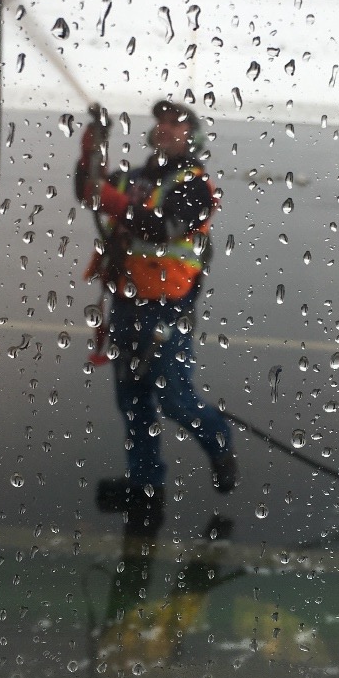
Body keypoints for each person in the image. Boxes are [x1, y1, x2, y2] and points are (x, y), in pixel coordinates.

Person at [75, 99, 237, 536]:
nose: (166, 127)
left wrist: (111, 199)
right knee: (132, 400)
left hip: (168, 310)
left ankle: (219, 442)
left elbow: (163, 228)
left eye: (177, 123)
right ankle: (146, 485)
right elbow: (88, 190)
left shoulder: (194, 185)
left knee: (173, 397)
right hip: (127, 303)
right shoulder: (132, 178)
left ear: (193, 138)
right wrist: (93, 143)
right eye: (161, 120)